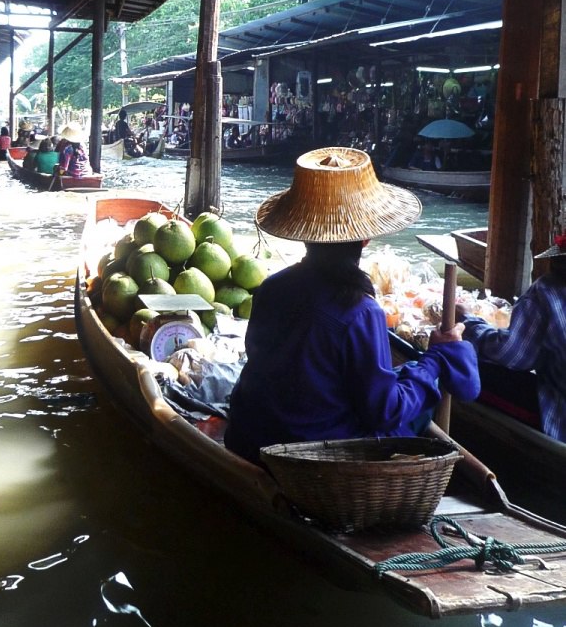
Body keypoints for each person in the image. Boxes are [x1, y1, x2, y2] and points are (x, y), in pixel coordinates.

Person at [224, 147, 479, 462]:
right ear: (365, 239)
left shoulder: (271, 287)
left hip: (248, 437)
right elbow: (384, 413)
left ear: (305, 234)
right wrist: (435, 360)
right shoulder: (360, 311)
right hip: (310, 458)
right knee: (414, 408)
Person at [458, 234, 566, 442]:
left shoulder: (547, 289)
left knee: (467, 366)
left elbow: (513, 355)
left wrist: (469, 322)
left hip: (560, 420)